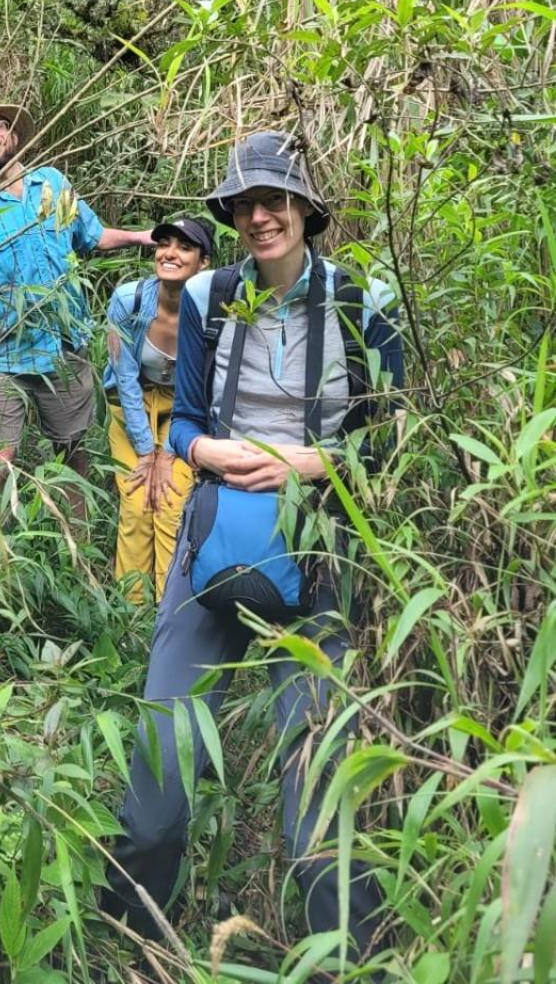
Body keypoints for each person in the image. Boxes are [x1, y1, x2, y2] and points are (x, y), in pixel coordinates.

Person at [103, 131, 404, 965]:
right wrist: (205, 453)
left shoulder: (359, 302)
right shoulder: (208, 297)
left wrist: (318, 462)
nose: (260, 216)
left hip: (315, 552)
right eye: (244, 205)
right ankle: (129, 949)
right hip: (215, 540)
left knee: (315, 793)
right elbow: (189, 418)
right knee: (159, 778)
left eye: (275, 200)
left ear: (308, 208)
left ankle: (346, 964)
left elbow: (392, 435)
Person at [0, 99, 153, 501]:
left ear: (14, 136)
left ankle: (77, 547)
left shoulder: (52, 184)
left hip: (62, 346)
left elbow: (92, 236)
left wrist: (140, 237)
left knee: (73, 453)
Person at [104, 216, 214, 601]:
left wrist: (167, 453)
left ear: (203, 263)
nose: (170, 253)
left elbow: (200, 389)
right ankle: (131, 611)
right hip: (131, 404)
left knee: (170, 501)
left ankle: (169, 607)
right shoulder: (128, 301)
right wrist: (146, 450)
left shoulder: (213, 312)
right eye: (164, 244)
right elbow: (124, 375)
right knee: (136, 502)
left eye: (184, 247)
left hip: (186, 411)